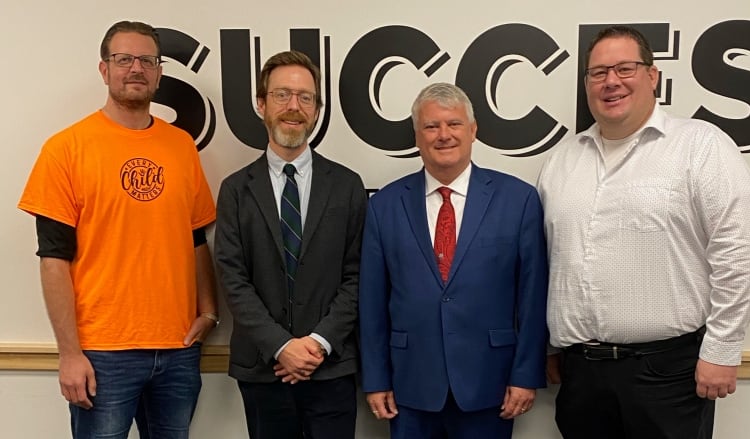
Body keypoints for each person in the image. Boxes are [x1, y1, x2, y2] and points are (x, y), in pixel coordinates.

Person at [537, 25, 750, 439]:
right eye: (598, 72)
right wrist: (552, 346)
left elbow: (738, 251)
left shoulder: (700, 145)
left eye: (625, 68)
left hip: (668, 373)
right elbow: (553, 261)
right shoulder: (562, 162)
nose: (611, 82)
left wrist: (723, 348)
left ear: (652, 75)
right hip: (580, 375)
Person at [18, 20, 219, 438]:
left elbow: (197, 236)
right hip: (103, 352)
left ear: (160, 72)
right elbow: (53, 260)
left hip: (177, 347)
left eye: (147, 60)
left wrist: (208, 310)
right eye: (123, 59)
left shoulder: (180, 146)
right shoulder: (66, 149)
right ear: (104, 69)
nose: (136, 69)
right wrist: (69, 354)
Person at [359, 82, 549, 438]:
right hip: (409, 388)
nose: (443, 135)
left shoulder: (518, 199)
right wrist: (375, 378)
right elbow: (371, 303)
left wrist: (525, 375)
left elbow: (533, 298)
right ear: (417, 136)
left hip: (490, 385)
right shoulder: (384, 206)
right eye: (431, 126)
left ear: (473, 130)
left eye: (454, 124)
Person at [214, 50, 366, 439]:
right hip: (264, 369)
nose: (293, 108)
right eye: (282, 95)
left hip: (330, 367)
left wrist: (316, 344)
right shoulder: (235, 190)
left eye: (305, 98)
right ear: (261, 104)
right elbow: (233, 278)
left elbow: (358, 275)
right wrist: (281, 346)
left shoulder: (348, 186)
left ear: (316, 110)